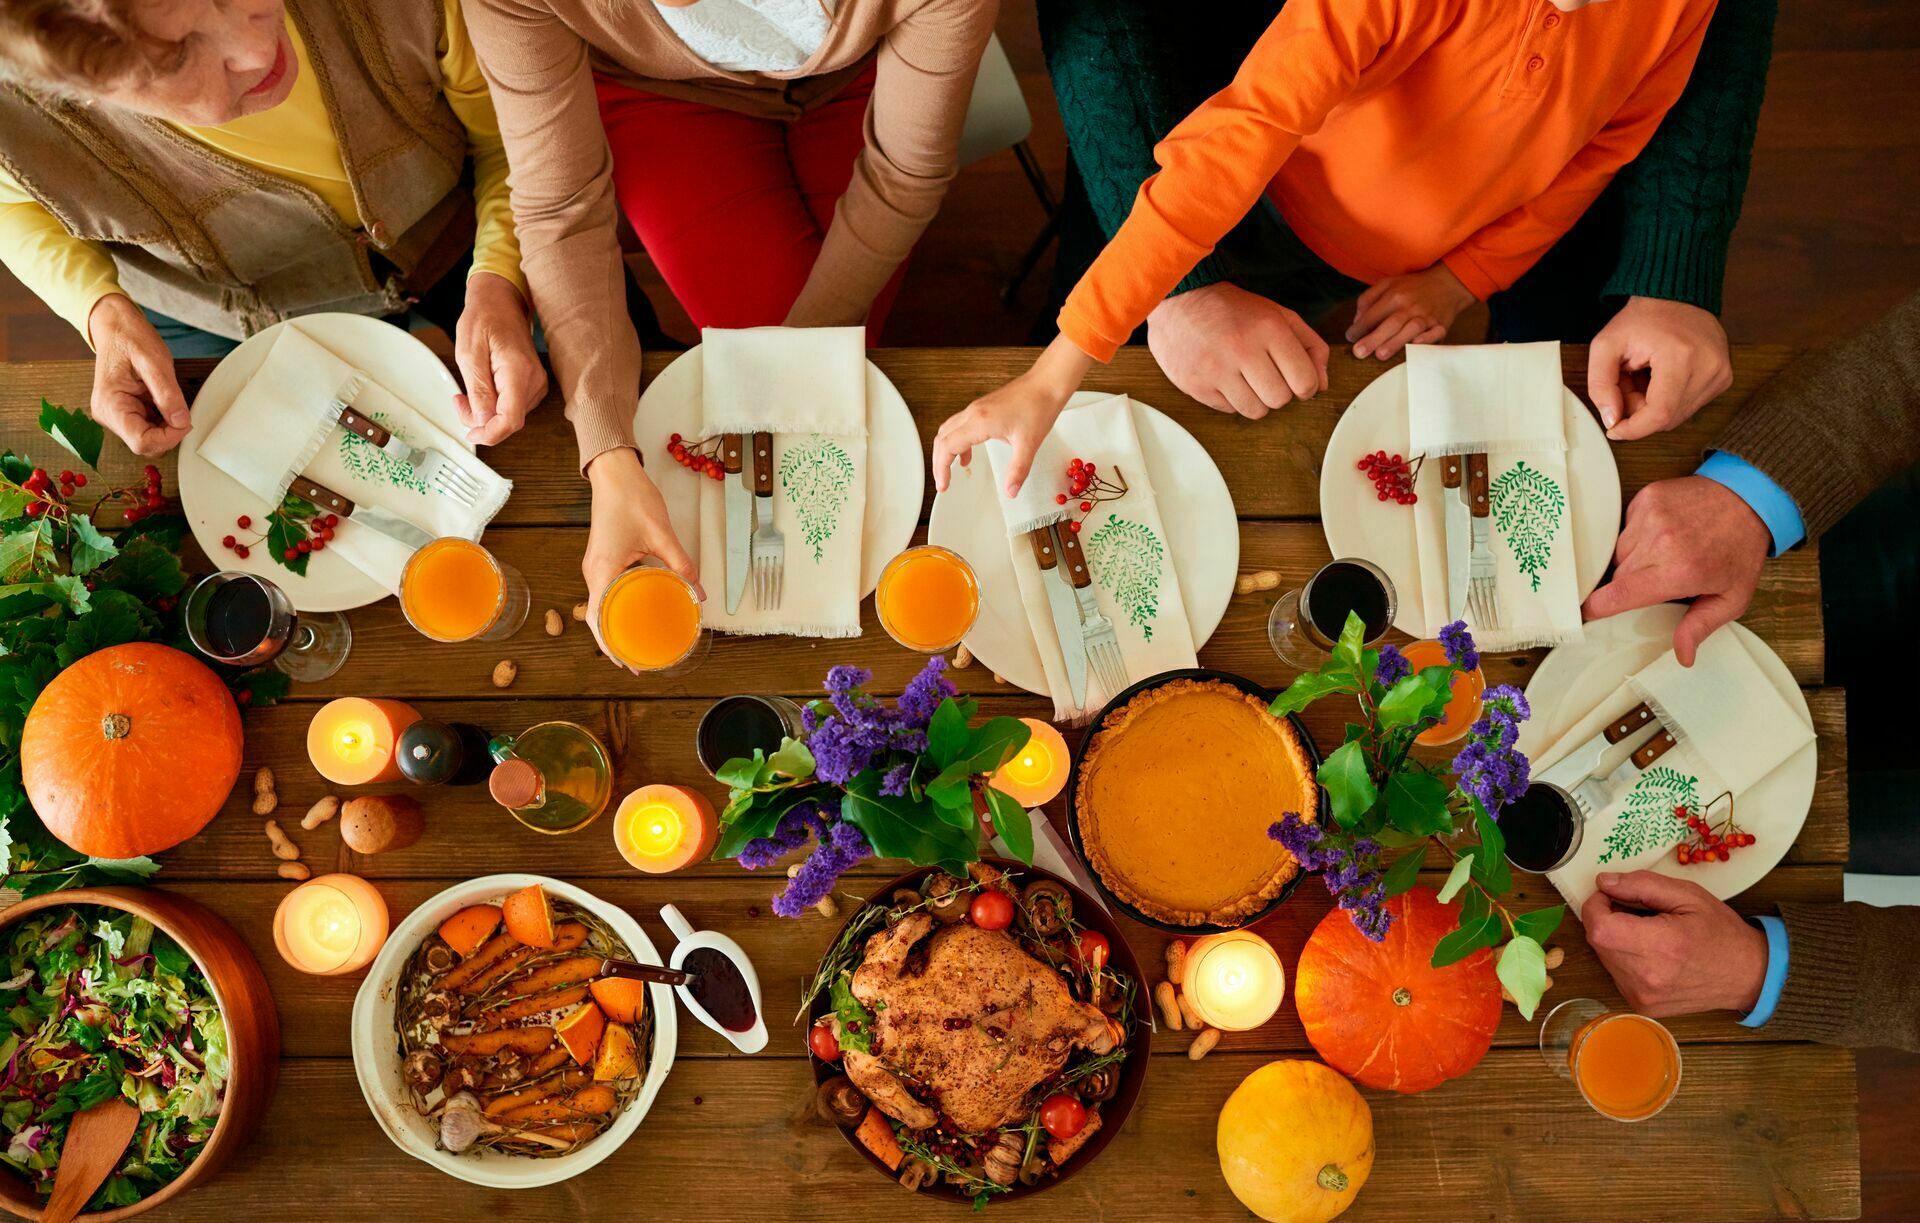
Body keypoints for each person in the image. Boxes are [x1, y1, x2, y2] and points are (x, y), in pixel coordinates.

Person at [936, 0, 1721, 496]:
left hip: (1370, 270)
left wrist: (1462, 277)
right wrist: (1054, 372)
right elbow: (1232, 147)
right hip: (1254, 205)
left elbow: (1600, 151)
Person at [462, 0, 997, 656]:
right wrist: (606, 455)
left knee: (830, 389)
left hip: (864, 78)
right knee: (823, 401)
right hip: (664, 94)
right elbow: (559, 209)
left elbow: (903, 176)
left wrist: (796, 370)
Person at [1579, 291, 1920, 1051]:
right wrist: (1752, 498)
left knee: (1800, 814)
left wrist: (1767, 973)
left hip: (1896, 787)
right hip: (1884, 548)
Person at [0, 0, 544, 457]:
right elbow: (15, 203)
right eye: (178, 57)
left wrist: (500, 272)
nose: (259, 50)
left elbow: (515, 142)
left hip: (468, 221)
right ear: (68, 95)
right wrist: (99, 309)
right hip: (213, 304)